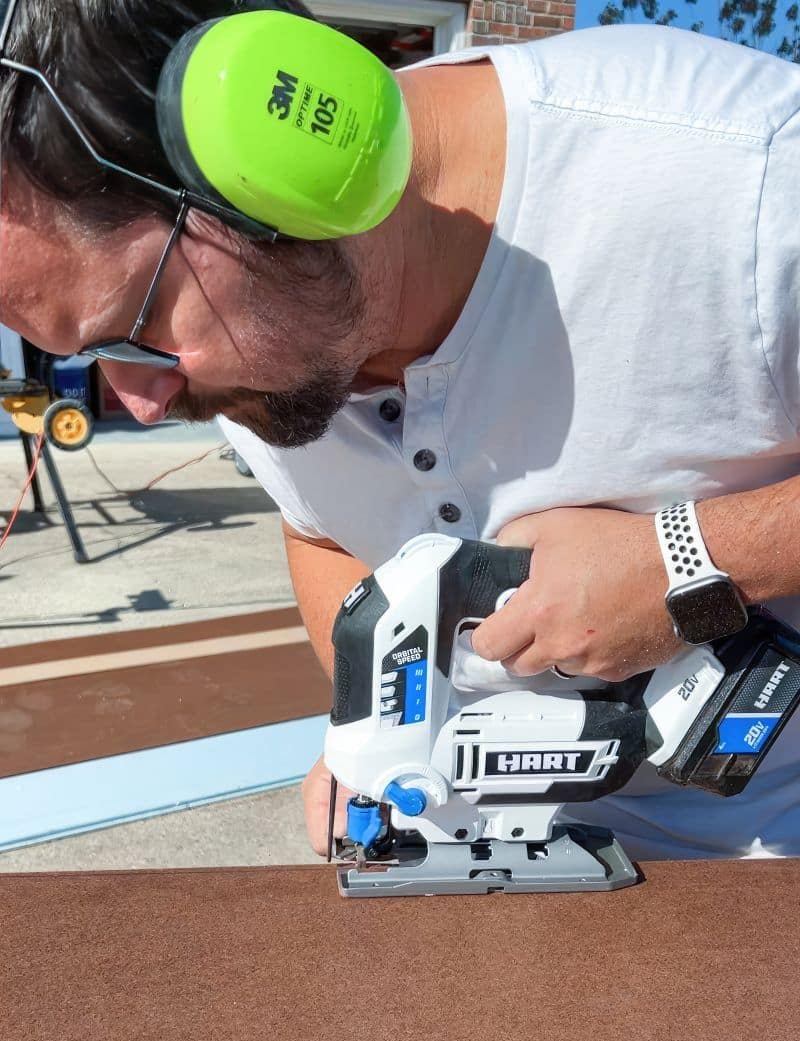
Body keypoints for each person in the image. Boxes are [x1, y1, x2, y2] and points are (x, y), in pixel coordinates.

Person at [2, 2, 800, 859]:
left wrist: (692, 561)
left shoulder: (747, 184)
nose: (143, 400)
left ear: (280, 174)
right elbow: (321, 526)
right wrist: (379, 723)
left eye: (135, 328)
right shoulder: (264, 347)